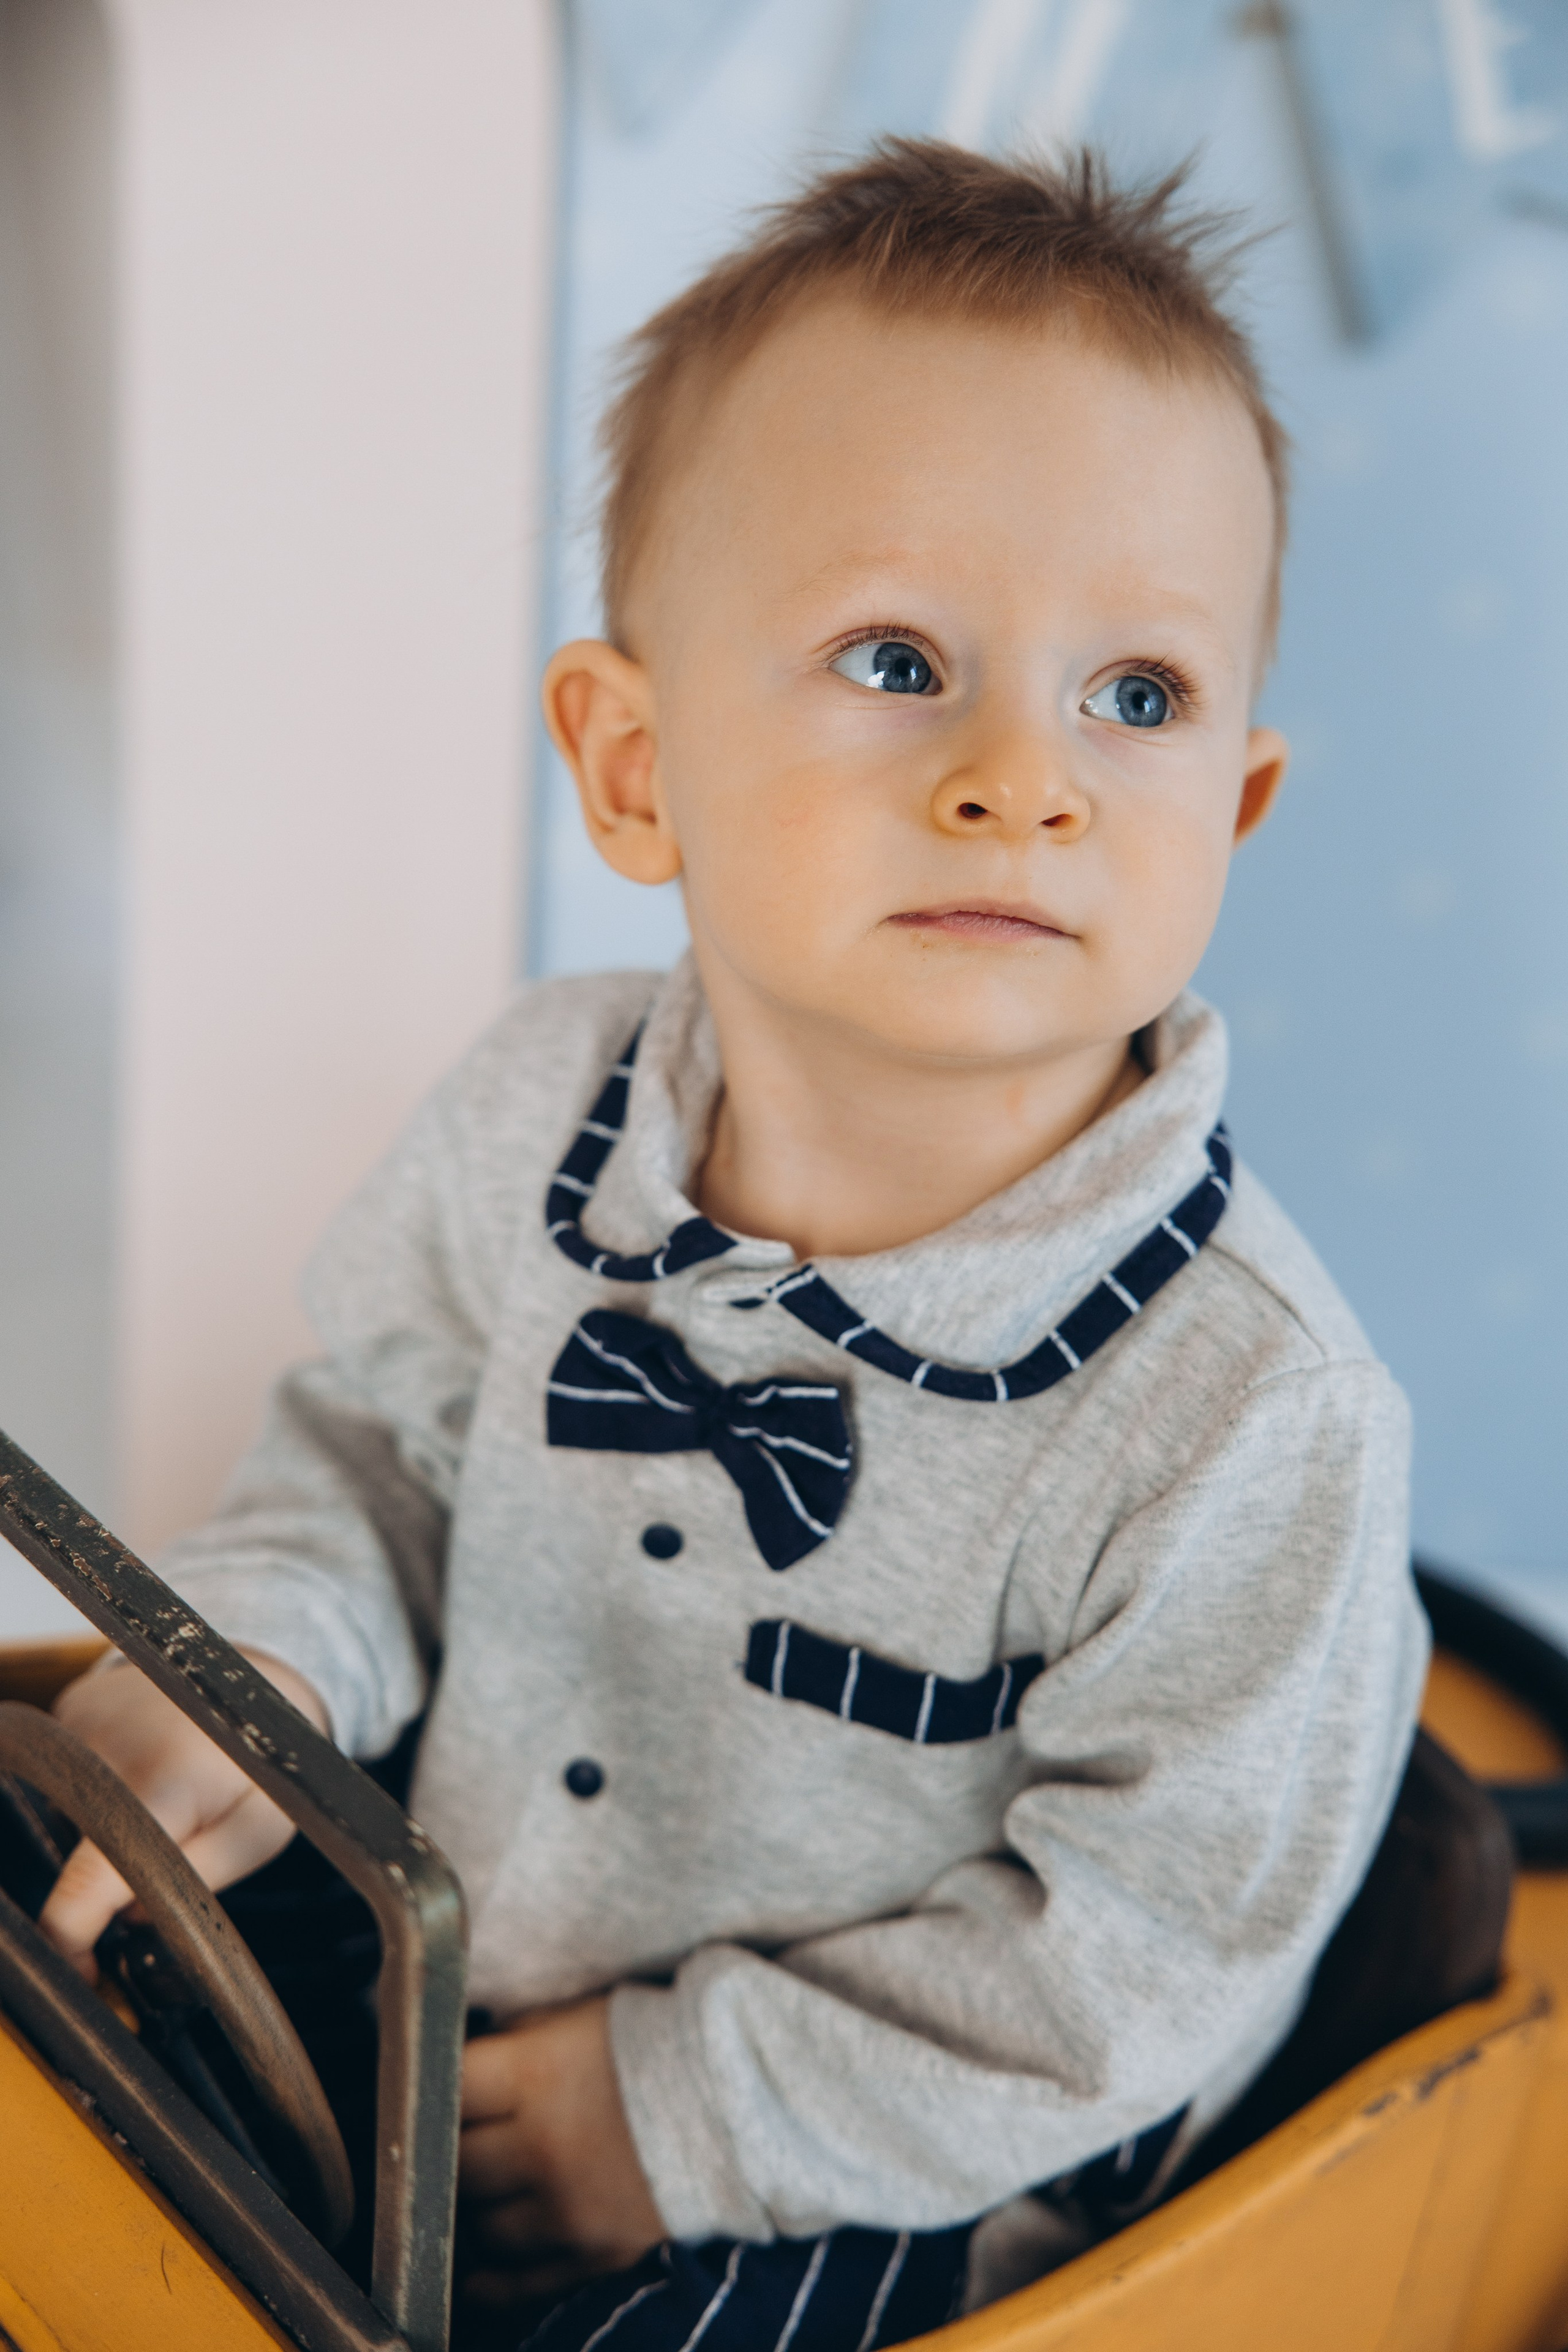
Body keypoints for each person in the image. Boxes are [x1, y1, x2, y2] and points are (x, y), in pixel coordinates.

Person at [40, 142, 1427, 2350]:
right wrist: (267, 1659)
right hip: (462, 1919)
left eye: (1136, 698)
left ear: (1231, 814)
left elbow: (1141, 1955)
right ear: (634, 760)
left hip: (856, 2181)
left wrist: (670, 2115)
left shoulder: (1248, 1417)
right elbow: (386, 1459)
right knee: (69, 2009)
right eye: (900, 657)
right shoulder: (538, 1105)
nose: (1024, 780)